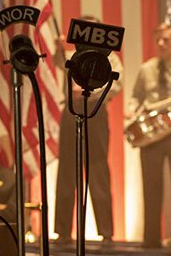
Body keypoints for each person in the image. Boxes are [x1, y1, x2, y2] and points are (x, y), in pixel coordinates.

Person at [53, 16, 123, 245]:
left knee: (98, 168)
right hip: (70, 111)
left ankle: (106, 233)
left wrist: (93, 93)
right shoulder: (67, 53)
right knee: (66, 170)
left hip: (95, 111)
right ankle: (63, 232)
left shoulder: (109, 57)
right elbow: (55, 69)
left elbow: (117, 83)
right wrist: (56, 49)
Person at [126, 22, 171, 248]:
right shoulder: (147, 69)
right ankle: (151, 240)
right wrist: (131, 109)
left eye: (167, 40)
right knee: (151, 187)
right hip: (153, 134)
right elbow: (136, 96)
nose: (162, 44)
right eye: (159, 40)